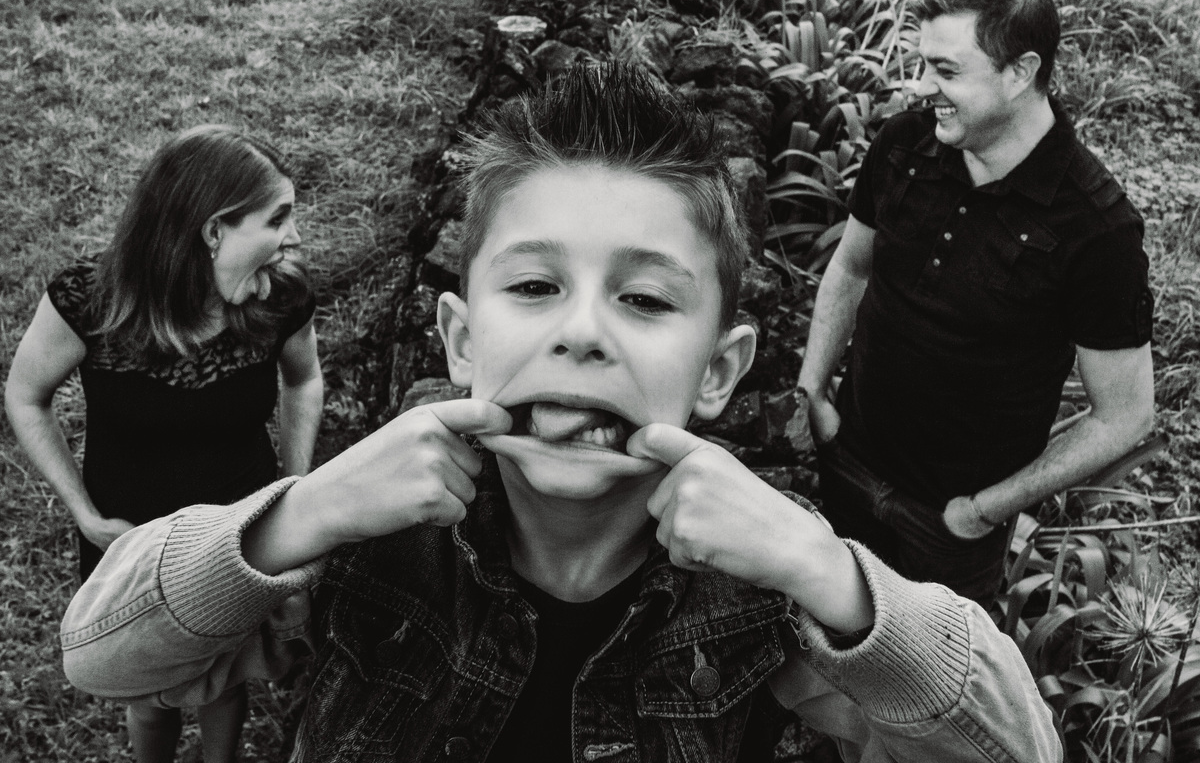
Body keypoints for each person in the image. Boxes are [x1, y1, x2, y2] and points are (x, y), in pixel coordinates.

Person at [59, 64, 1059, 762]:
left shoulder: (772, 602)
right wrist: (302, 513)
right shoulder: (361, 542)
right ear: (461, 340)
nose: (583, 333)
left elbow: (1019, 749)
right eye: (535, 286)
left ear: (719, 371)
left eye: (646, 299)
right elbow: (100, 653)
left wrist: (827, 573)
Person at [797, 0, 1155, 607]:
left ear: (1020, 72)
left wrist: (985, 510)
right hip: (847, 460)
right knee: (827, 629)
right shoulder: (904, 144)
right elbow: (851, 268)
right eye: (923, 63)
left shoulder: (1097, 229)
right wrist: (814, 388)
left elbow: (1125, 415)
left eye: (946, 70)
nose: (921, 86)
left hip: (950, 526)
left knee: (925, 667)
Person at [7, 126, 324, 763]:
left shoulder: (280, 295)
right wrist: (85, 514)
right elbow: (25, 396)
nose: (293, 237)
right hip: (130, 538)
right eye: (277, 218)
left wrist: (294, 490)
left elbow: (304, 380)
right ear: (214, 232)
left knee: (225, 679)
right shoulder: (91, 301)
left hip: (237, 532)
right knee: (151, 697)